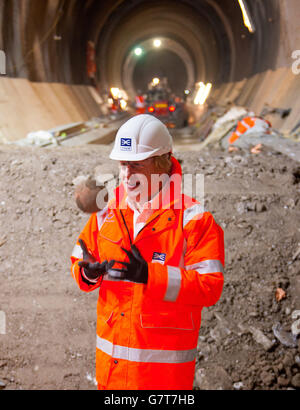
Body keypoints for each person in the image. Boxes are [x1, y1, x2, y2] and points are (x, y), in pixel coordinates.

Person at [70, 114, 224, 390]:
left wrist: (151, 276)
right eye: (122, 165)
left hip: (162, 382)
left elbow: (209, 287)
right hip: (111, 375)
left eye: (136, 165)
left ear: (163, 163)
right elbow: (80, 255)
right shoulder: (109, 209)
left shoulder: (193, 220)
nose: (127, 176)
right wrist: (87, 272)